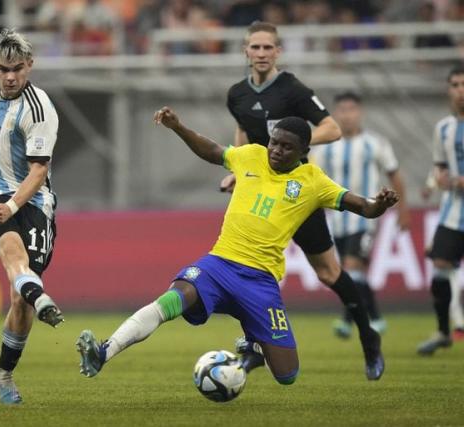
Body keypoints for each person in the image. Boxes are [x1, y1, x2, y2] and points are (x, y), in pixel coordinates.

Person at [76, 108, 398, 384]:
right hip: (219, 265)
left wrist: (380, 204)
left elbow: (364, 208)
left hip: (261, 281)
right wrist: (178, 128)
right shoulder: (251, 154)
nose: (276, 150)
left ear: (302, 152)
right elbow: (212, 150)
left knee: (287, 375)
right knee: (174, 298)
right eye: (274, 142)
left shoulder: (314, 181)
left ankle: (254, 341)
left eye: (287, 147)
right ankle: (104, 351)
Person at [219, 21, 382, 379]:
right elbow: (244, 133)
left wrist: (293, 142)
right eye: (255, 48)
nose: (261, 54)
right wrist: (238, 170)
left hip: (294, 192)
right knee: (246, 267)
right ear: (245, 51)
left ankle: (369, 338)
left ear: (278, 51)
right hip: (259, 191)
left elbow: (332, 128)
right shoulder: (236, 94)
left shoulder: (292, 89)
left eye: (268, 48)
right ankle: (254, 346)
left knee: (328, 272)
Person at [0, 28, 63, 404]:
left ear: (30, 65)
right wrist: (3, 206)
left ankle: (3, 371)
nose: (12, 77)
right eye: (5, 69)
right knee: (12, 251)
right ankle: (40, 297)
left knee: (18, 300)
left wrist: (14, 205)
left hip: (34, 202)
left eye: (19, 69)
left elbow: (39, 171)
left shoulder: (40, 109)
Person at [310, 91, 410, 338]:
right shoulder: (325, 149)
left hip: (367, 218)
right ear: (335, 114)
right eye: (342, 110)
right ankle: (374, 317)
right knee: (350, 272)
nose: (347, 115)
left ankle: (353, 320)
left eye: (352, 109)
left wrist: (403, 210)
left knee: (353, 267)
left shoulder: (375, 143)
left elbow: (394, 175)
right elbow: (312, 179)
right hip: (339, 221)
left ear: (360, 112)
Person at [418, 65, 464, 355]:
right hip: (454, 211)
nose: (460, 91)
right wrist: (438, 179)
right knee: (439, 270)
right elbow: (439, 166)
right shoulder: (443, 128)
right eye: (455, 85)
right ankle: (444, 331)